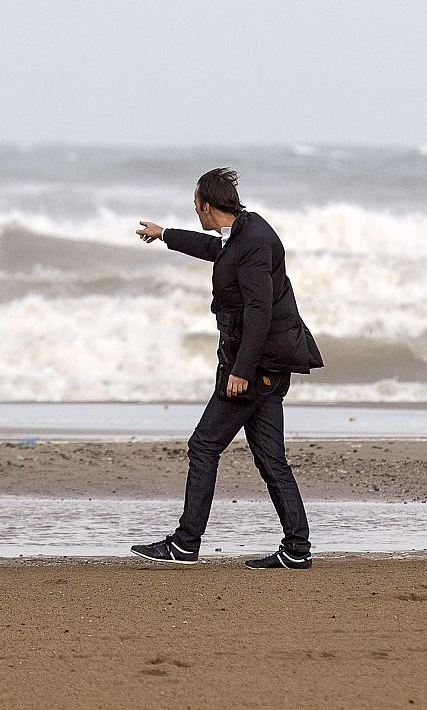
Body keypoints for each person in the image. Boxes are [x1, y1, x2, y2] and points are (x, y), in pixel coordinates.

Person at [131, 168, 324, 569]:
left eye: (195, 204)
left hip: (256, 365)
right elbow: (214, 250)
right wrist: (165, 233)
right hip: (263, 363)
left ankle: (185, 543)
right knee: (271, 458)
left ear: (206, 206)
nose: (195, 210)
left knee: (203, 445)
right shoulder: (242, 231)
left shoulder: (254, 243)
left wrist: (242, 371)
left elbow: (260, 309)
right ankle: (297, 549)